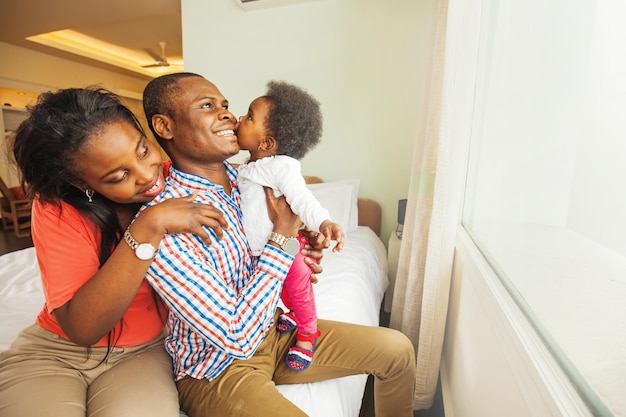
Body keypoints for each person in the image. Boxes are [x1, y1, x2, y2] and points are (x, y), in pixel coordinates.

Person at [0, 86, 323, 417]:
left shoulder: (181, 180)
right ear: (84, 183)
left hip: (145, 351)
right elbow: (82, 329)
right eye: (118, 175)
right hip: (56, 351)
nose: (147, 176)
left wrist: (294, 240)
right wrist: (147, 226)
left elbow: (255, 224)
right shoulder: (58, 209)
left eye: (142, 151)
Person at [140, 72, 417, 417]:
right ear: (164, 126)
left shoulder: (249, 180)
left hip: (275, 331)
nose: (227, 114)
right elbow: (235, 335)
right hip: (219, 366)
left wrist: (296, 248)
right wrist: (284, 235)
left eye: (226, 105)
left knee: (397, 350)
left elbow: (272, 250)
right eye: (207, 106)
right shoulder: (163, 217)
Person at [236, 80, 344, 372]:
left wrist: (324, 221)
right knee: (280, 291)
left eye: (248, 117)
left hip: (284, 249)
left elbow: (301, 198)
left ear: (267, 143)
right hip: (259, 251)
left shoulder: (282, 167)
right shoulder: (245, 168)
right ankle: (293, 315)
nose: (237, 120)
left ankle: (308, 335)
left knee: (299, 290)